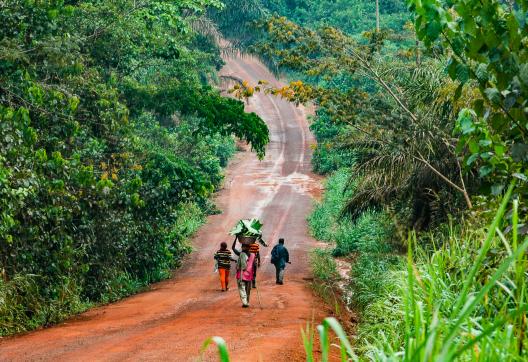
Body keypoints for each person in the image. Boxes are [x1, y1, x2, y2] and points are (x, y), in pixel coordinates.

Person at [233, 240, 255, 307]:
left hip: (242, 275)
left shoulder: (242, 254)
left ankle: (245, 302)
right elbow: (254, 265)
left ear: (245, 247)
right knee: (248, 290)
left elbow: (243, 266)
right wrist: (254, 275)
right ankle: (247, 302)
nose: (242, 247)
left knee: (242, 289)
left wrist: (236, 238)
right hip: (250, 275)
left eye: (243, 246)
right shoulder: (253, 255)